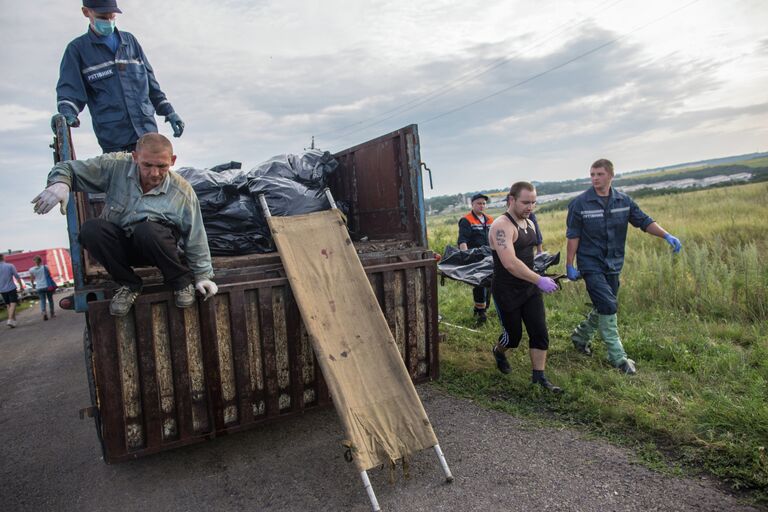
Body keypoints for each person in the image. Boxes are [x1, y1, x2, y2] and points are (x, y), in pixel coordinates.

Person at [31, 133, 218, 317]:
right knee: (91, 229)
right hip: (121, 249)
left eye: (162, 166)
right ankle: (128, 284)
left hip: (156, 248)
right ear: (135, 157)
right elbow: (67, 168)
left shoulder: (182, 191)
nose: (154, 173)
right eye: (147, 165)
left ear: (173, 160)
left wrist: (203, 276)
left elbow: (195, 234)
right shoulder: (115, 166)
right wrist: (61, 183)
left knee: (147, 230)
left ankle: (180, 282)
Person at [565, 159, 682, 374]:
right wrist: (569, 264)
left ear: (611, 176)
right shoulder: (580, 204)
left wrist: (667, 235)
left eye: (599, 174)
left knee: (604, 305)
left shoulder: (623, 201)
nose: (594, 178)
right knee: (609, 305)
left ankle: (580, 337)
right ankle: (618, 357)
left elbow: (644, 221)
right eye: (592, 174)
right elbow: (573, 235)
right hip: (590, 264)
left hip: (614, 262)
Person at [54, 0, 184, 153]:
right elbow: (69, 91)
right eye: (103, 17)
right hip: (114, 140)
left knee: (154, 174)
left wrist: (169, 111)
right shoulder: (77, 50)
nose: (108, 21)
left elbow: (151, 85)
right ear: (86, 12)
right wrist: (66, 115)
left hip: (147, 133)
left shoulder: (130, 42)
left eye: (112, 16)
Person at [489, 182, 562, 392]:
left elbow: (528, 254)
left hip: (529, 288)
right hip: (507, 290)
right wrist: (539, 280)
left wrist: (540, 270)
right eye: (525, 202)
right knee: (513, 337)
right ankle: (499, 350)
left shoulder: (529, 222)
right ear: (511, 200)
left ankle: (539, 378)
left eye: (533, 202)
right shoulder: (501, 226)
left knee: (539, 332)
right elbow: (511, 263)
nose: (530, 207)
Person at [458, 193, 494, 323]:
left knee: (490, 283)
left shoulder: (490, 220)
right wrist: (466, 258)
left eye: (484, 203)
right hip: (476, 258)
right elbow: (462, 240)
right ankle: (480, 312)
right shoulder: (466, 220)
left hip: (489, 257)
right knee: (479, 284)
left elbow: (494, 238)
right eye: (479, 203)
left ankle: (484, 308)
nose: (482, 206)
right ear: (472, 204)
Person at [0, 255, 25, 328]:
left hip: (2, 289)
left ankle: (13, 322)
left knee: (8, 305)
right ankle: (10, 319)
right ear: (3, 258)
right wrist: (21, 286)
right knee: (13, 304)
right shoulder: (10, 265)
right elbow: (16, 276)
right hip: (11, 288)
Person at [28, 256, 56, 321]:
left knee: (42, 300)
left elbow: (32, 279)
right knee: (50, 300)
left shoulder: (31, 270)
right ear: (41, 261)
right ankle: (52, 313)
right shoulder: (45, 267)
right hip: (47, 286)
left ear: (34, 262)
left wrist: (33, 285)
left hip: (39, 287)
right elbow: (49, 275)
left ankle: (44, 312)